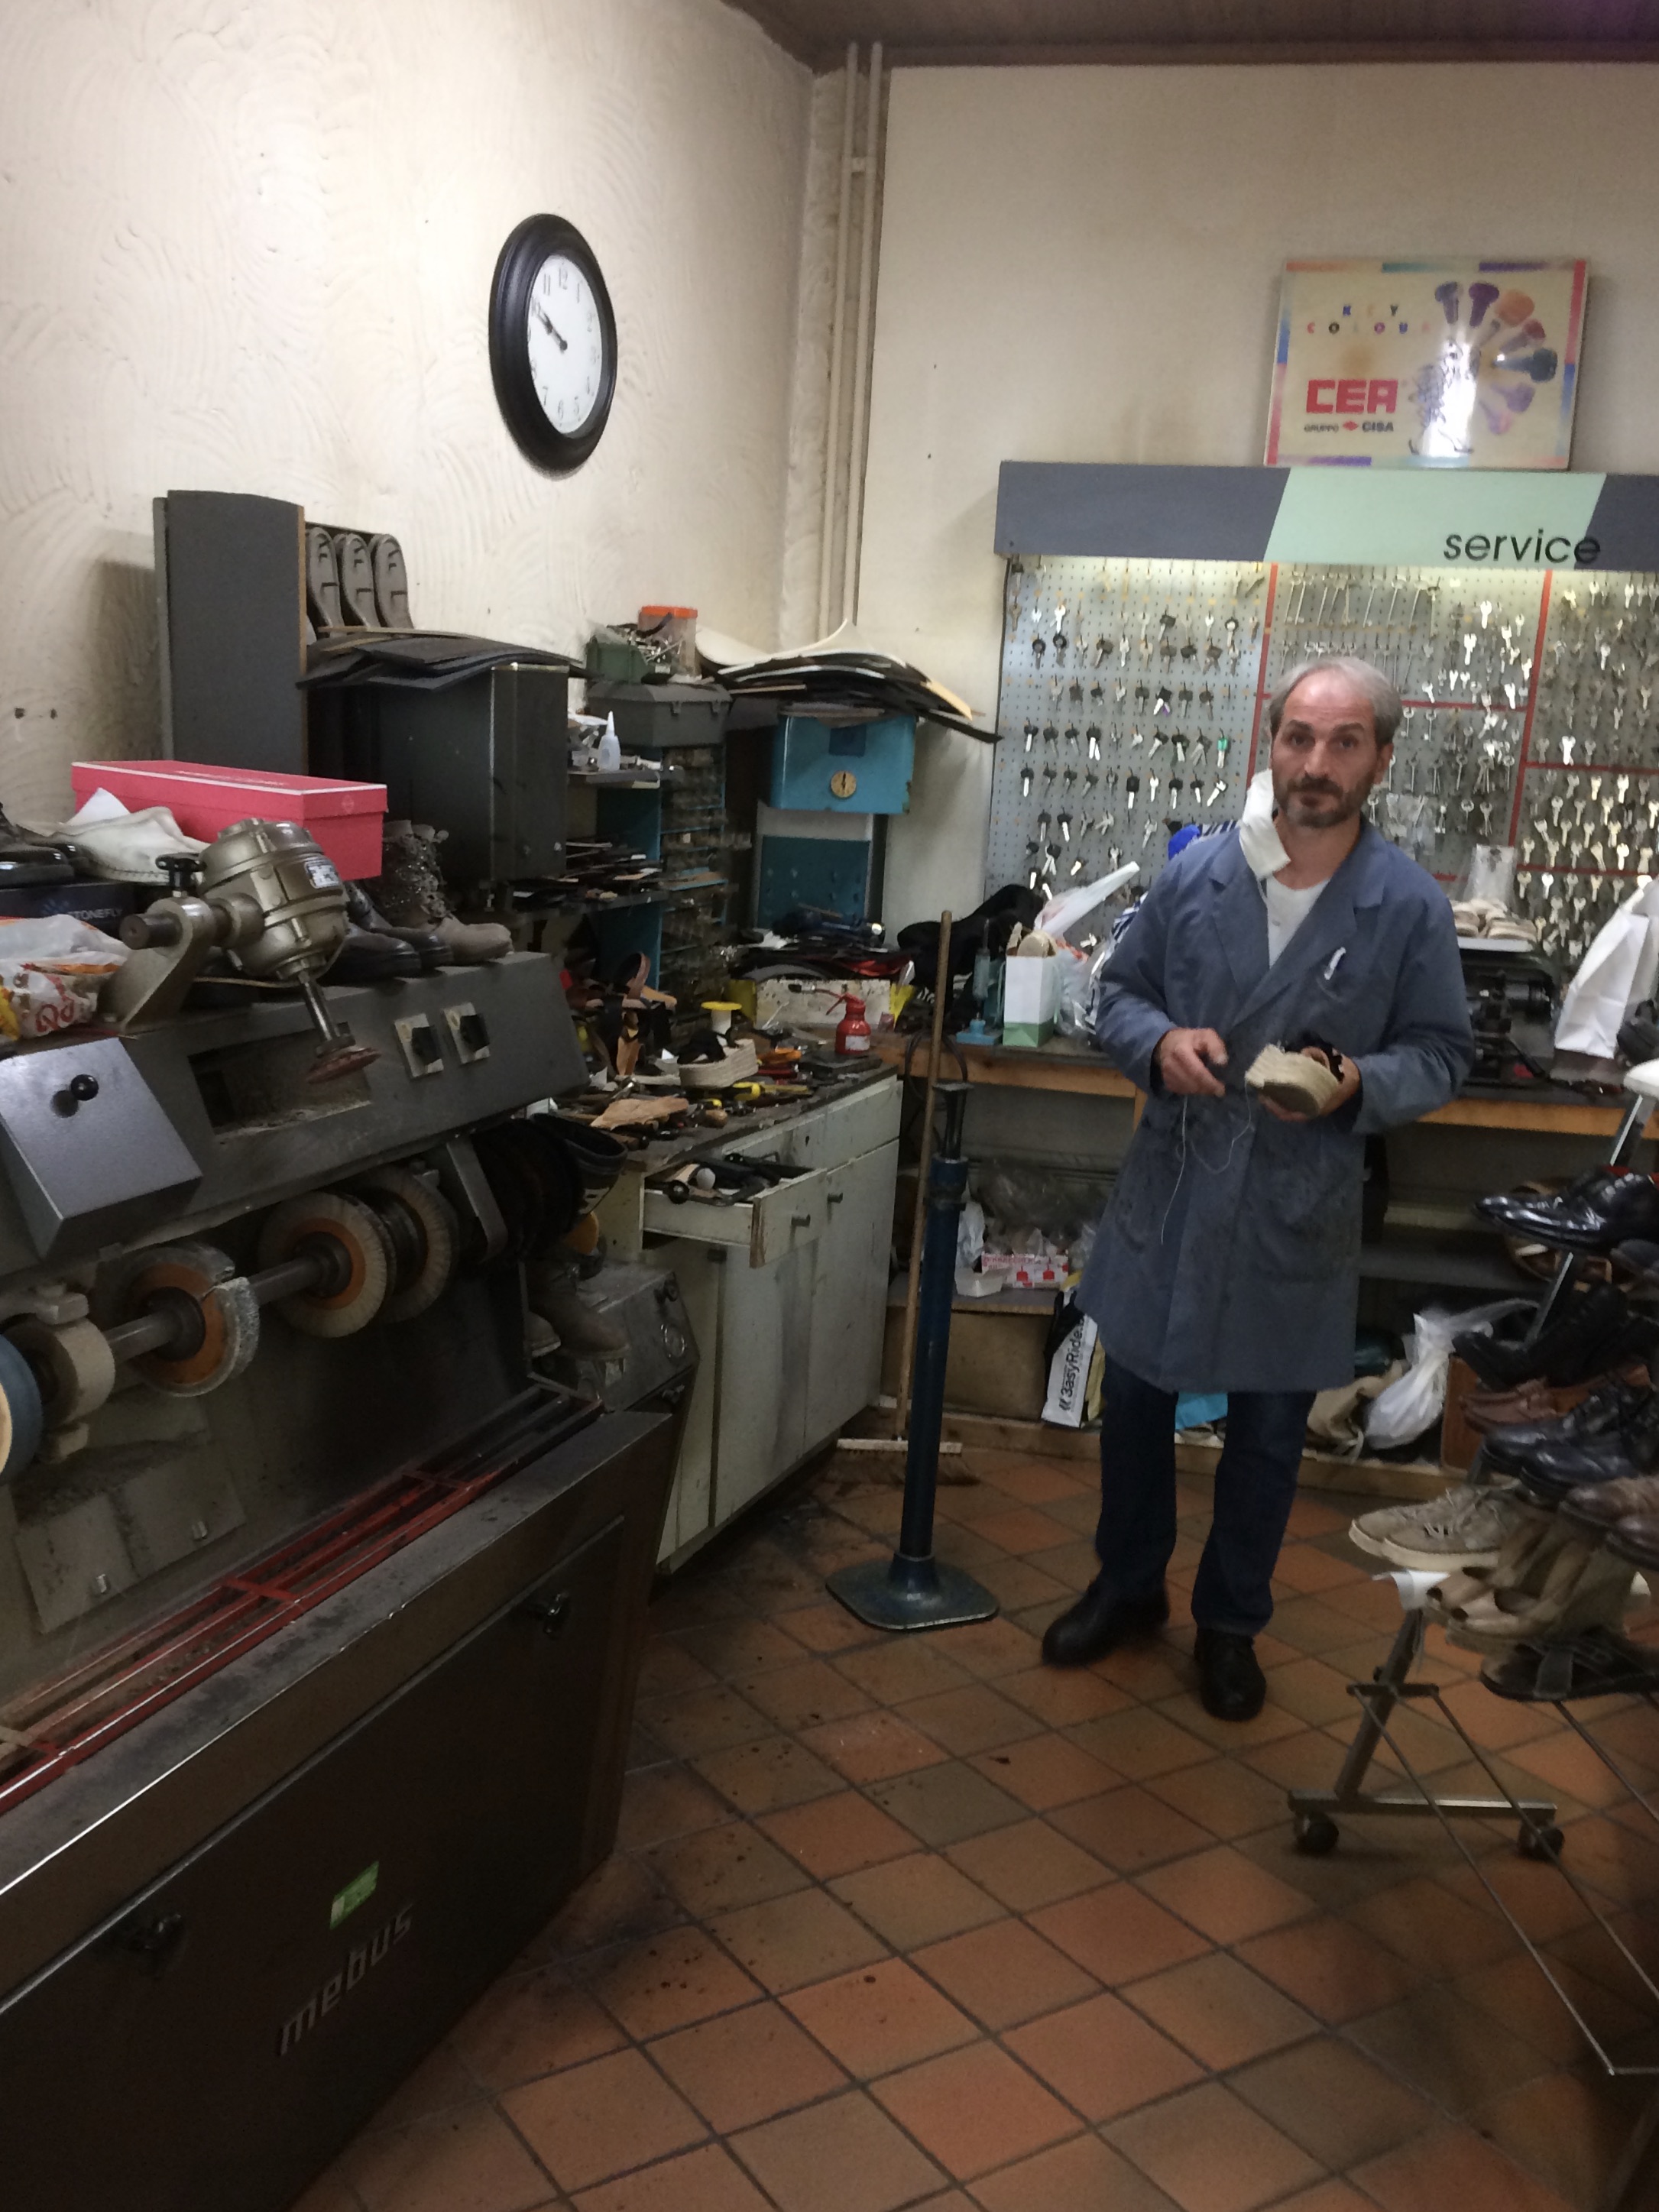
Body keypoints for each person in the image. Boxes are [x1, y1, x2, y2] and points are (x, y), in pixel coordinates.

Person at [1045, 656, 1473, 1719]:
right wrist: (1158, 1044)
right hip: (1175, 1187)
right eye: (1298, 738)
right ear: (1270, 743)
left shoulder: (1406, 906)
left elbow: (1442, 1053)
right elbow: (1118, 995)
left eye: (1343, 742)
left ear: (1380, 758)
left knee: (1270, 1430)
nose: (1315, 763)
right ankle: (1127, 1585)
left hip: (1296, 1202)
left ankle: (1232, 1624)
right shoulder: (1199, 874)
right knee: (1134, 1405)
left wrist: (1357, 1081)